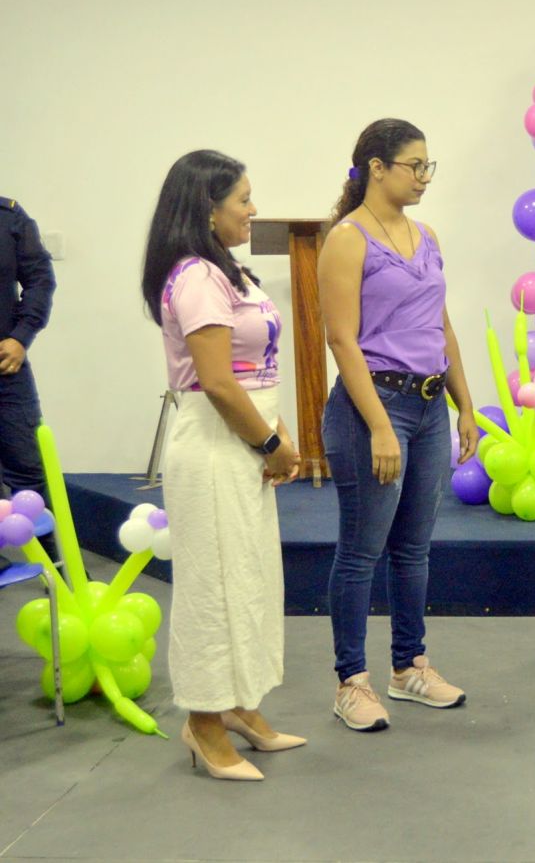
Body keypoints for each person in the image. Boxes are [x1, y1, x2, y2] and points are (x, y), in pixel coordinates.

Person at [143, 150, 305, 781]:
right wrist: (268, 444)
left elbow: (253, 369)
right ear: (208, 210)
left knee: (249, 575)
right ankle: (203, 722)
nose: (253, 209)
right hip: (215, 445)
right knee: (213, 585)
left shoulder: (227, 271)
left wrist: (277, 429)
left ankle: (239, 703)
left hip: (243, 437)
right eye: (243, 199)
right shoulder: (195, 278)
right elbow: (215, 381)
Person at [318, 118, 478, 732]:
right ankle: (351, 681)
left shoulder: (426, 235)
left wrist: (465, 405)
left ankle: (409, 666)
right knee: (362, 551)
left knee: (413, 548)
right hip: (373, 407)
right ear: (377, 168)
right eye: (415, 165)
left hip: (430, 407)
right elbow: (342, 340)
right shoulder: (347, 239)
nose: (424, 177)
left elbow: (441, 325)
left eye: (428, 166)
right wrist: (380, 427)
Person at [0, 195, 56, 568]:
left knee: (29, 469)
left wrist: (21, 336)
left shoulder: (9, 217)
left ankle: (53, 564)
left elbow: (39, 279)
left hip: (6, 368)